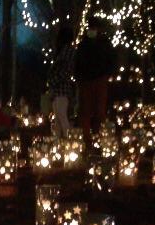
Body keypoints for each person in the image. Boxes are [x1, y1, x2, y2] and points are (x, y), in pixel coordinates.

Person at [76, 18, 115, 148]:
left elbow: (111, 59)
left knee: (99, 111)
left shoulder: (104, 43)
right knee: (86, 111)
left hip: (99, 79)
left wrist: (107, 73)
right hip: (87, 80)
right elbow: (78, 62)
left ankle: (100, 138)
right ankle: (88, 140)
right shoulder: (84, 44)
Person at [47, 26, 76, 138]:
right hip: (58, 89)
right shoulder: (63, 51)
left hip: (61, 88)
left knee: (62, 117)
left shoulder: (67, 51)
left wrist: (54, 80)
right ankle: (59, 141)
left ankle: (69, 141)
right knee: (58, 119)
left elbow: (65, 70)